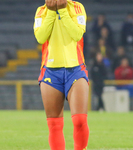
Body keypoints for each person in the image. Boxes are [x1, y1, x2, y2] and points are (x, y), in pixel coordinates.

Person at [34, 0, 89, 150]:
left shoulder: (77, 7)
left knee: (79, 120)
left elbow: (77, 34)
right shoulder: (41, 11)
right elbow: (40, 37)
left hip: (76, 70)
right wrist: (52, 12)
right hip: (50, 71)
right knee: (54, 124)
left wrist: (63, 11)